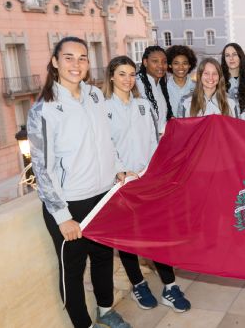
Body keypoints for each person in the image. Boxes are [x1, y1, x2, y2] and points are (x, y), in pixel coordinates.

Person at [27, 37, 133, 328]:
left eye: (83, 58)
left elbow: (106, 140)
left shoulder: (95, 95)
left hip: (102, 196)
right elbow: (41, 168)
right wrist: (62, 216)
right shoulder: (44, 109)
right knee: (72, 271)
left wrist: (119, 169)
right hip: (70, 203)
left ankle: (106, 310)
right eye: (69, 58)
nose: (77, 64)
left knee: (102, 259)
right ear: (55, 62)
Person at [103, 56, 191, 313]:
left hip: (149, 181)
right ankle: (138, 284)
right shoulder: (104, 109)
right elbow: (105, 146)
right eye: (122, 74)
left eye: (131, 74)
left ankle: (170, 287)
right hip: (122, 183)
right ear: (111, 76)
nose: (128, 79)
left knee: (156, 234)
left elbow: (155, 142)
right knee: (128, 238)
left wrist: (155, 171)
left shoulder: (144, 105)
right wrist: (121, 171)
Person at [136, 46, 172, 134]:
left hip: (162, 141)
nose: (161, 65)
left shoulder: (161, 85)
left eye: (164, 62)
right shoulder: (135, 85)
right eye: (155, 61)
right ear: (145, 62)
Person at [165, 45, 197, 117]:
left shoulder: (198, 88)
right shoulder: (163, 88)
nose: (181, 67)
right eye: (176, 63)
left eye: (184, 63)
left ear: (189, 65)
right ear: (170, 65)